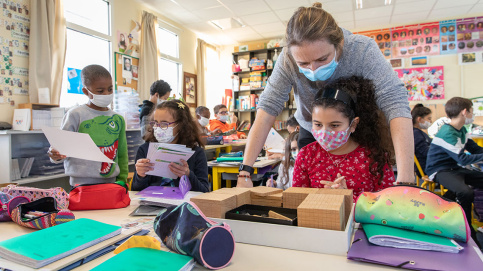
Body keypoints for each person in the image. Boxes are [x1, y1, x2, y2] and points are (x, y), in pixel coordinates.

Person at [237, 3, 413, 188]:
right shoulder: (287, 59)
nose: (314, 69)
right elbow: (267, 110)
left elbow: (395, 102)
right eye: (303, 63)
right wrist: (245, 173)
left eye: (322, 59)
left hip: (357, 132)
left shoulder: (362, 50)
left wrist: (406, 180)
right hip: (313, 132)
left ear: (340, 44)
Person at [292, 76, 395, 201]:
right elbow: (297, 200)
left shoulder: (375, 157)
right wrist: (322, 197)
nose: (324, 133)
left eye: (334, 125)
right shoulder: (306, 155)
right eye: (318, 124)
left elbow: (388, 204)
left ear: (353, 124)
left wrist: (348, 198)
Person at [48, 65, 128, 186]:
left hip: (111, 184)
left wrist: (122, 181)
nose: (106, 94)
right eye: (100, 91)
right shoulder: (75, 115)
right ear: (86, 91)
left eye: (110, 89)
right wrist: (55, 154)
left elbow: (122, 154)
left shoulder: (118, 119)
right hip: (80, 185)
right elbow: (60, 150)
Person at [425, 97, 483, 247]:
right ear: (465, 112)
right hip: (439, 170)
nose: (473, 114)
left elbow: (475, 150)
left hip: (455, 169)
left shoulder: (461, 130)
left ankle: (444, 203)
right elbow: (463, 159)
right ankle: (465, 227)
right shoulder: (447, 133)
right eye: (472, 110)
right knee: (465, 192)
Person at [132, 100, 209, 192]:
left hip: (183, 204)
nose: (158, 128)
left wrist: (188, 175)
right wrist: (140, 175)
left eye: (164, 124)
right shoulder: (145, 150)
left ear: (181, 125)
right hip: (153, 204)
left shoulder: (196, 153)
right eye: (155, 123)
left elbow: (204, 191)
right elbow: (136, 190)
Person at [411, 104, 432, 175]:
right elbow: (426, 152)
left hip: (428, 165)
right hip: (426, 168)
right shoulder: (416, 134)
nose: (431, 121)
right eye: (429, 119)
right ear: (419, 119)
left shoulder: (419, 132)